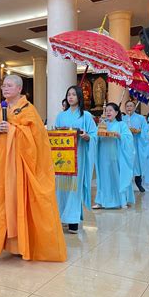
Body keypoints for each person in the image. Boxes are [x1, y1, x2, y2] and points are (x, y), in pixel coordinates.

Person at [0, 74, 66, 266]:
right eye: (3, 85)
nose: (5, 88)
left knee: (20, 207)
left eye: (9, 85)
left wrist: (13, 131)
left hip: (19, 172)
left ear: (19, 89)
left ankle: (19, 246)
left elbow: (37, 143)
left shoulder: (29, 111)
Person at [55, 85, 97, 234]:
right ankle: (61, 216)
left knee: (74, 187)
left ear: (79, 97)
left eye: (73, 94)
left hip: (78, 156)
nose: (70, 97)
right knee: (61, 188)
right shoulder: (60, 116)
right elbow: (55, 133)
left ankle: (72, 219)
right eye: (69, 94)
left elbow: (94, 134)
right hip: (62, 158)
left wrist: (87, 136)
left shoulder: (86, 116)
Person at [94, 102, 135, 209]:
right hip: (103, 156)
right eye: (106, 110)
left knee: (117, 177)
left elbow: (129, 139)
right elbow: (96, 136)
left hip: (116, 156)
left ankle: (121, 201)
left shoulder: (121, 125)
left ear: (116, 112)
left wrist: (119, 135)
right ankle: (101, 201)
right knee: (103, 178)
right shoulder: (103, 123)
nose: (108, 112)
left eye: (110, 110)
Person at [122, 100, 148, 192]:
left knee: (137, 164)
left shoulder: (141, 118)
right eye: (127, 106)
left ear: (134, 107)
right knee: (126, 163)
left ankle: (139, 183)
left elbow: (146, 130)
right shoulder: (123, 119)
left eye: (131, 106)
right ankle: (126, 184)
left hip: (137, 143)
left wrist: (139, 131)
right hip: (126, 144)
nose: (129, 108)